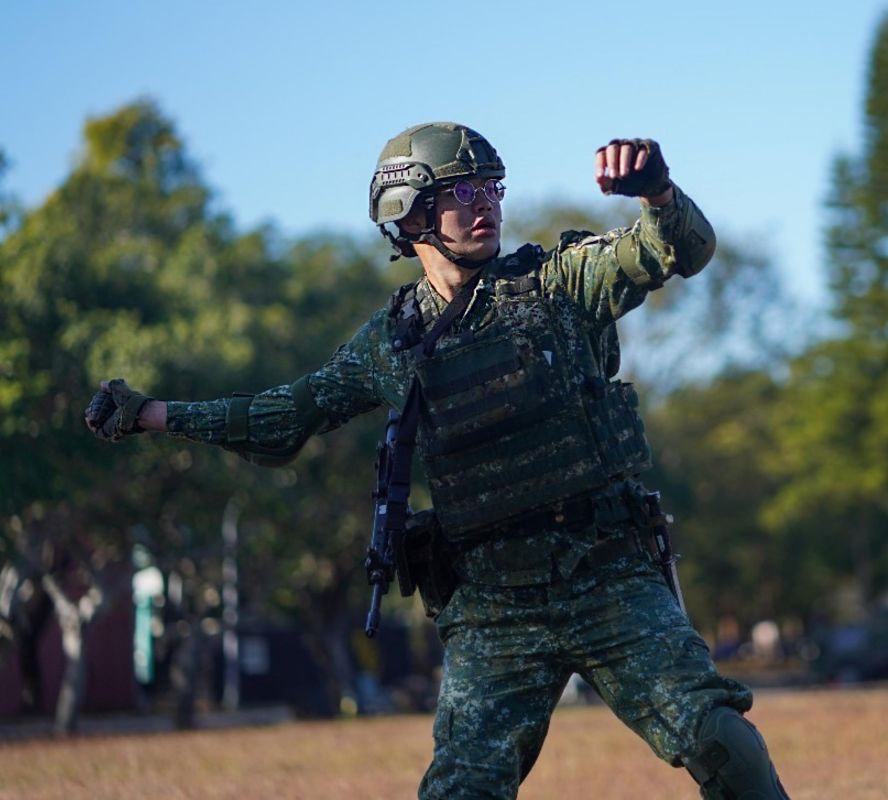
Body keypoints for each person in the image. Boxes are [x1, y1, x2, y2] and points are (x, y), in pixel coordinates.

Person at [85, 122, 790, 799]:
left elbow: (678, 250)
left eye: (493, 188)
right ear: (411, 212)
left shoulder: (560, 284)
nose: (486, 205)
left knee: (720, 739)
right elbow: (282, 420)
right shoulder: (389, 343)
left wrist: (657, 191)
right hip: (494, 608)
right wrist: (152, 415)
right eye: (463, 191)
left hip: (608, 575)